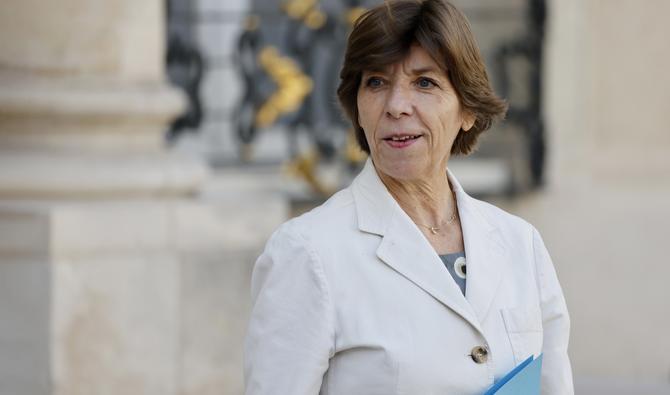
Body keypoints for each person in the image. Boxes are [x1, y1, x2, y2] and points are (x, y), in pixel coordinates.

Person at [244, 0, 573, 394]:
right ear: (357, 108)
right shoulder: (307, 253)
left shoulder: (522, 245)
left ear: (467, 108)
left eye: (425, 82)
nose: (396, 106)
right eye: (376, 83)